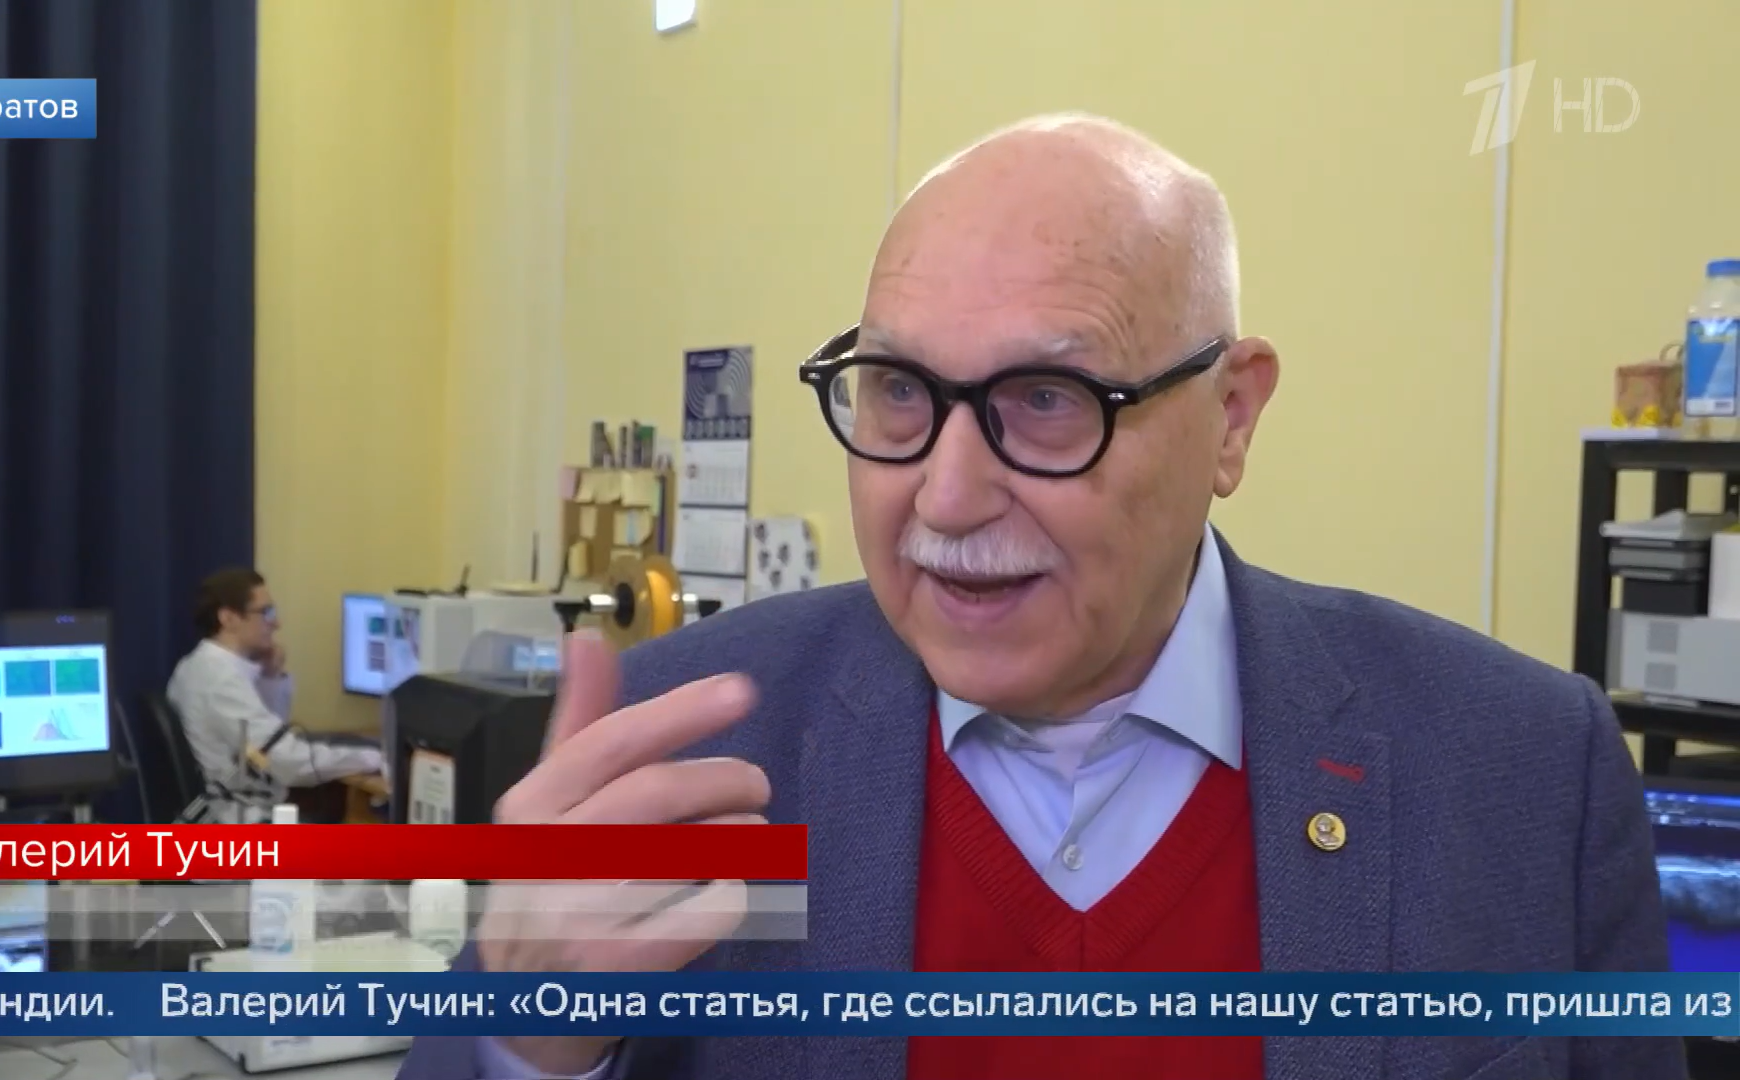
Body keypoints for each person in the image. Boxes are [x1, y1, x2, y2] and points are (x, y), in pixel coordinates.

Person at [398, 114, 1683, 1079]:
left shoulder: (1521, 772)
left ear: (1231, 417)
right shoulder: (686, 750)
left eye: (1048, 401)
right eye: (899, 391)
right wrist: (527, 1043)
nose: (947, 496)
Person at [165, 567, 384, 823]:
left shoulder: (200, 666)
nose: (276, 623)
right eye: (266, 612)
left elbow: (267, 744)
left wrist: (271, 676)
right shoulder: (219, 680)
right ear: (228, 618)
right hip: (241, 820)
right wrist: (376, 758)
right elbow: (289, 763)